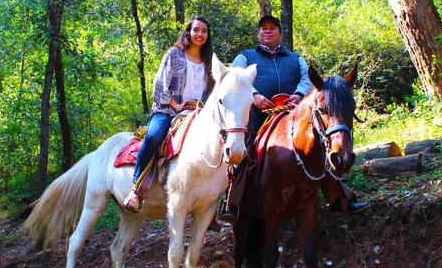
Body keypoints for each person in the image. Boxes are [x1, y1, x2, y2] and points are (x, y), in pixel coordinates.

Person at [222, 14, 369, 221]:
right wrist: (254, 95)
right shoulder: (245, 57)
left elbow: (307, 80)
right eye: (263, 28)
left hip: (293, 117)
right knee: (245, 153)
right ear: (258, 34)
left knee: (318, 150)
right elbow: (233, 77)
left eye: (273, 28)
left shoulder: (295, 58)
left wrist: (299, 95)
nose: (268, 31)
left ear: (280, 34)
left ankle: (339, 198)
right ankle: (232, 203)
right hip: (257, 115)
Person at [123, 16, 215, 214]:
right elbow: (159, 86)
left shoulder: (209, 61)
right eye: (196, 30)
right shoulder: (175, 54)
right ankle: (136, 190)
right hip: (168, 110)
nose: (200, 34)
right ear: (189, 32)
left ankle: (212, 203)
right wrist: (176, 104)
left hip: (199, 113)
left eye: (204, 31)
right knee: (154, 136)